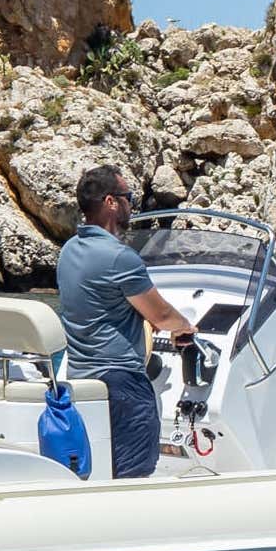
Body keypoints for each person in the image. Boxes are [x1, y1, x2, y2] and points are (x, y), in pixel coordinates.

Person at [52, 165, 193, 480]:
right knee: (133, 474)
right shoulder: (120, 257)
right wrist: (185, 327)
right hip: (122, 385)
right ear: (110, 202)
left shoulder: (68, 251)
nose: (133, 204)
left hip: (81, 382)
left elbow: (102, 304)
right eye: (128, 197)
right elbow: (162, 316)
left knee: (101, 472)